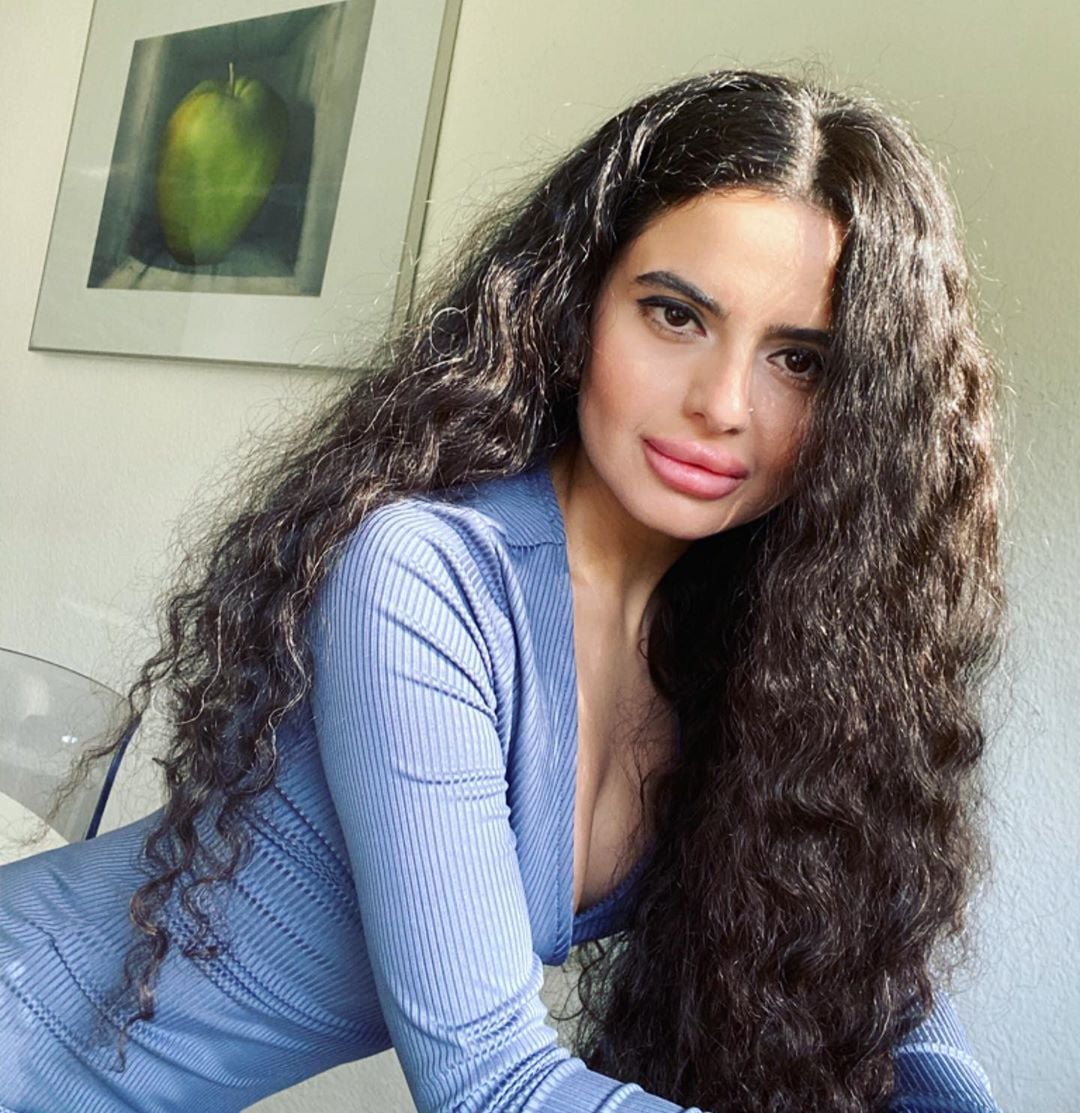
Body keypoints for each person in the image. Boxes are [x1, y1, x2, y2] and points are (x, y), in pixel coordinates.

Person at [0, 69, 1005, 1112]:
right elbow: (492, 1085)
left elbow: (882, 995)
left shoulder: (755, 650)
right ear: (576, 308)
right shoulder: (425, 573)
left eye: (799, 361)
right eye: (675, 315)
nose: (722, 403)